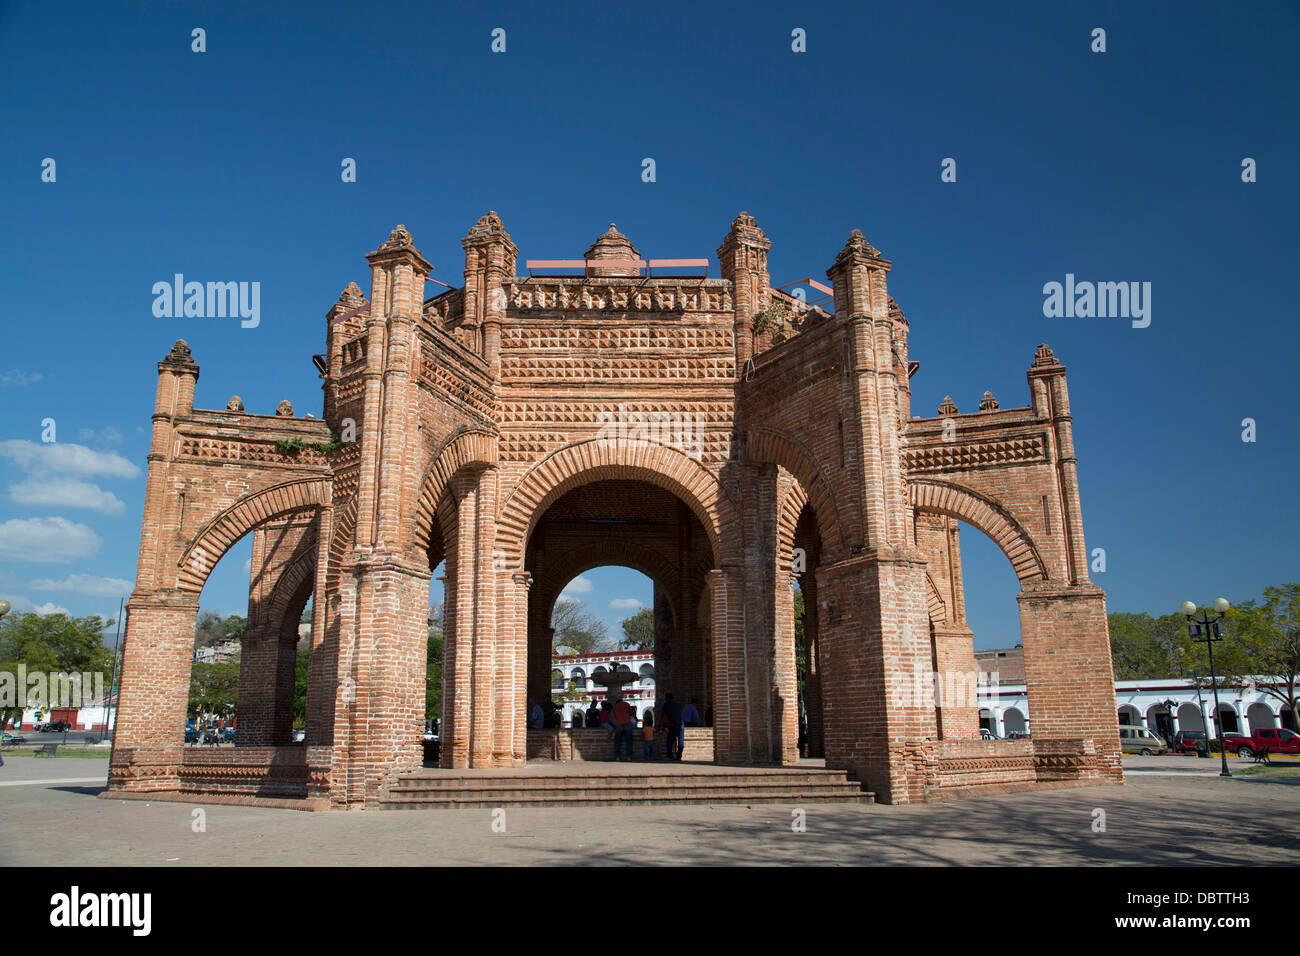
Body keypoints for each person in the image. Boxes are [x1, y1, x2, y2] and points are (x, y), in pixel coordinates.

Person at [662, 693, 684, 761]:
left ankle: (670, 756)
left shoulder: (666, 704)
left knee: (670, 741)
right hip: (680, 723)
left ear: (666, 698)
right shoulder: (677, 704)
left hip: (673, 723)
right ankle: (679, 756)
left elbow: (663, 715)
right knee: (680, 741)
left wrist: (662, 724)